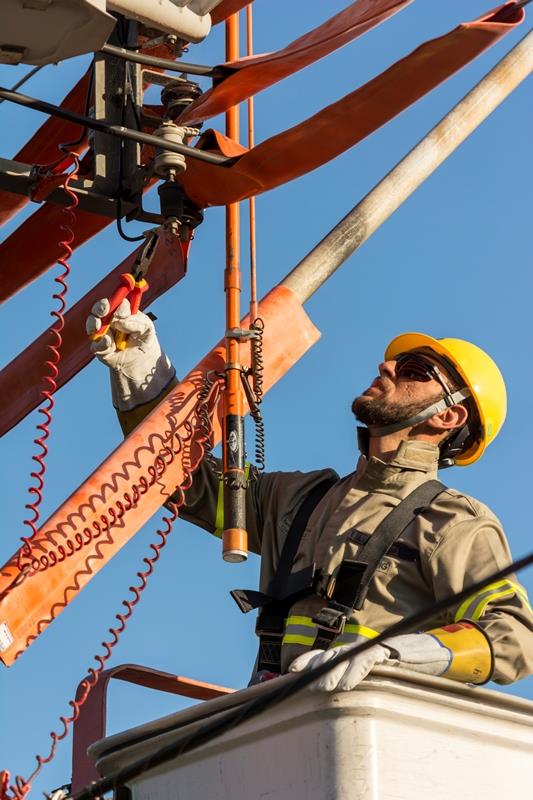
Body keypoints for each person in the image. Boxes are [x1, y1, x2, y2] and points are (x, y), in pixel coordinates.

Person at [87, 300, 533, 690]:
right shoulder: (298, 498)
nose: (387, 367)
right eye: (395, 362)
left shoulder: (453, 523)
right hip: (277, 729)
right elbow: (187, 482)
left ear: (448, 416)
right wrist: (143, 379)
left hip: (366, 736)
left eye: (414, 372)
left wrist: (392, 657)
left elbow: (514, 638)